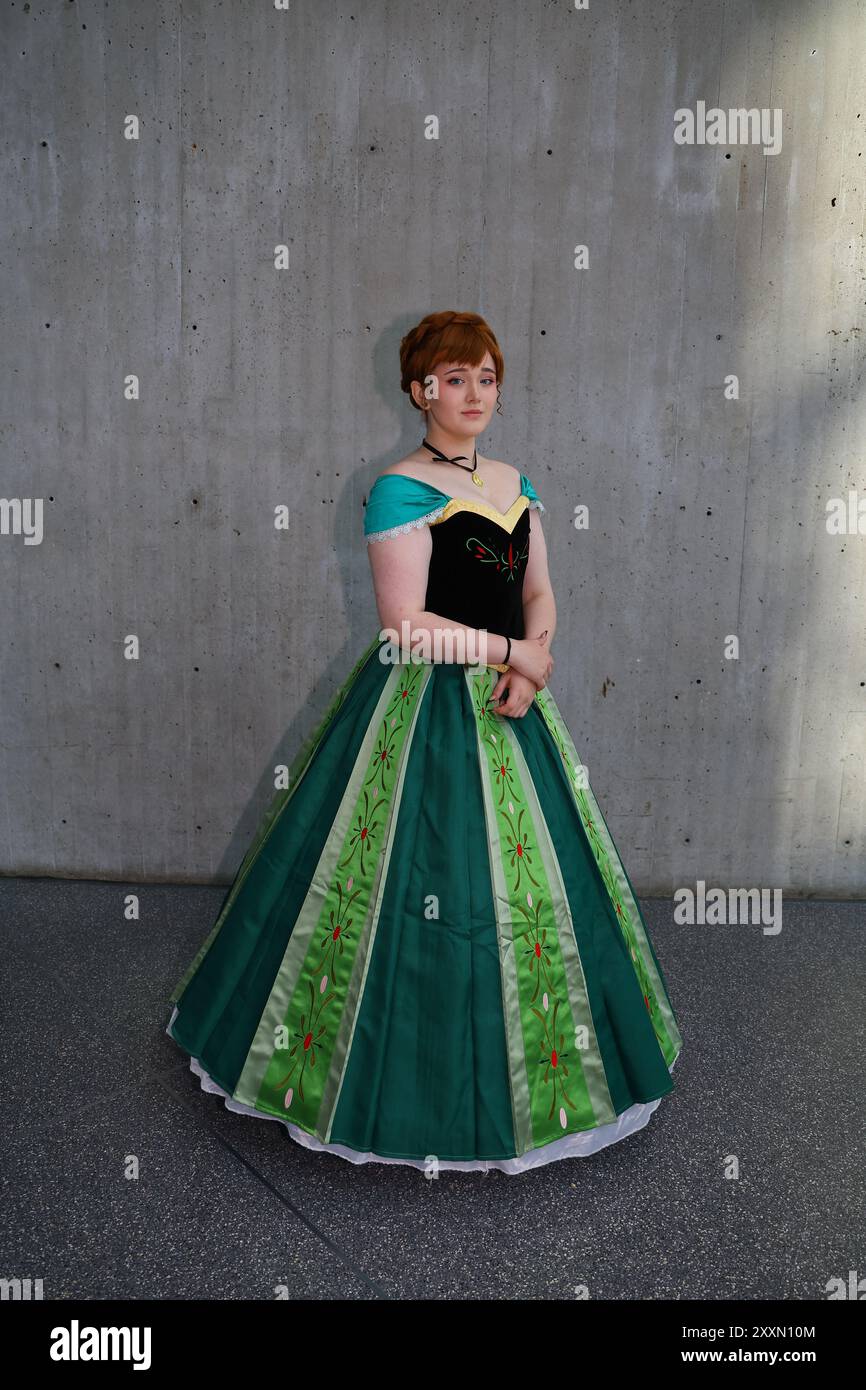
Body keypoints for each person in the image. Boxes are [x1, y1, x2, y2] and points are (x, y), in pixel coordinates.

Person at [166, 309, 683, 1175]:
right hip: (421, 710)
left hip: (516, 698)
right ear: (419, 390)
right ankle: (385, 1079)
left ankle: (547, 1072)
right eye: (454, 378)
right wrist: (513, 652)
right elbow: (406, 627)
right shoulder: (399, 490)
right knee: (410, 880)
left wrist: (534, 657)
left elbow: (542, 591)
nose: (473, 393)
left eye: (486, 376)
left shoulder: (518, 483)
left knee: (534, 879)